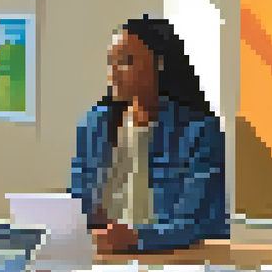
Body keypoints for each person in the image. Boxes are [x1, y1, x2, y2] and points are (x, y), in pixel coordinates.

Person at [69, 16, 229, 254]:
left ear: (159, 64)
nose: (113, 73)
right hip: (105, 259)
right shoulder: (94, 125)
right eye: (110, 62)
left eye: (125, 62)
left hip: (173, 261)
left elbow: (198, 223)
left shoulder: (199, 132)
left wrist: (134, 237)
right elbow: (77, 204)